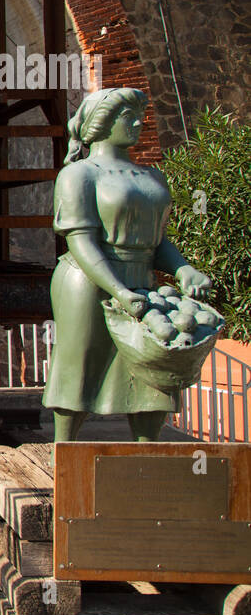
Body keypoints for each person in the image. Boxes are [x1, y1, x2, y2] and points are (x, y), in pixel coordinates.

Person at [42, 87, 211, 441]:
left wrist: (182, 269)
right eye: (127, 116)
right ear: (102, 123)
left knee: (152, 367)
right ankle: (65, 450)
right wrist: (117, 290)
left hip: (141, 276)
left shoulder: (152, 177)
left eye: (139, 115)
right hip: (87, 280)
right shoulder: (79, 175)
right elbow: (81, 240)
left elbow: (158, 240)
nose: (138, 122)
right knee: (82, 363)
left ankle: (149, 453)